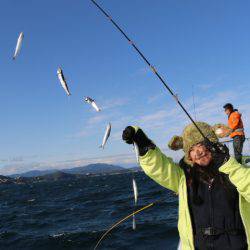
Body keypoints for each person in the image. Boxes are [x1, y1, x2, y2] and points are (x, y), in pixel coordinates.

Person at [122, 122, 250, 250]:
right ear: (189, 157)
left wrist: (228, 164)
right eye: (192, 150)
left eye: (201, 145)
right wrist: (143, 145)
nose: (198, 152)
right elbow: (160, 168)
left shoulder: (235, 172)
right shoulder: (184, 179)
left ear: (213, 144)